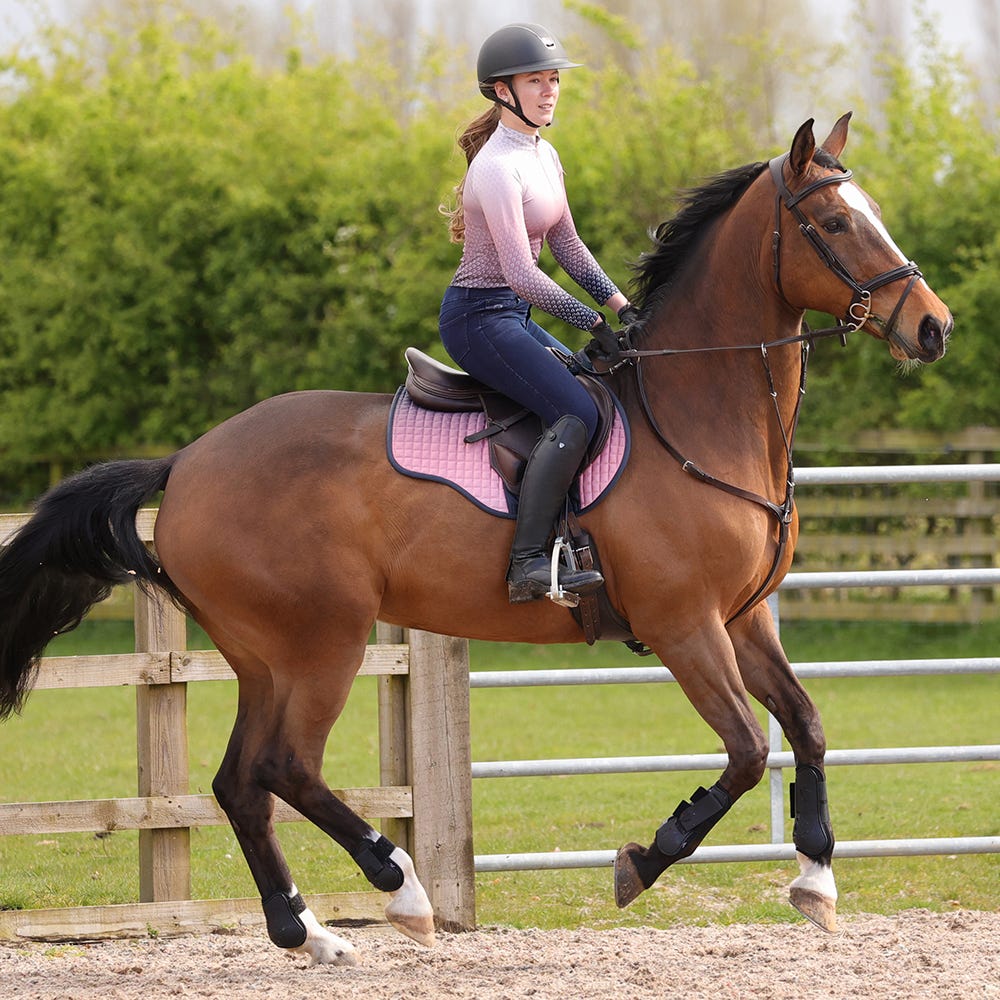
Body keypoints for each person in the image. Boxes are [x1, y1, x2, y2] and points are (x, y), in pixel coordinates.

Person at [439, 22, 636, 605]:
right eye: (536, 81)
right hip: (479, 319)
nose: (550, 91)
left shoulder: (544, 155)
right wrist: (594, 324)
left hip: (513, 317)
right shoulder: (497, 167)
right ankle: (527, 564)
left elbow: (569, 246)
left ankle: (575, 541)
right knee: (575, 411)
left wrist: (623, 305)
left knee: (595, 391)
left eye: (554, 80)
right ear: (502, 91)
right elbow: (524, 275)